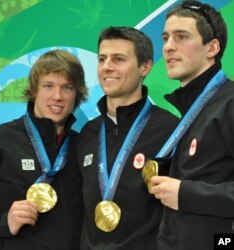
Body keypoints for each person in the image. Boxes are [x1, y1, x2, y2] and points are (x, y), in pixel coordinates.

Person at [77, 26, 179, 250]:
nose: (107, 67)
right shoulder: (88, 133)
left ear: (146, 67)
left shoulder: (170, 130)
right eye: (102, 59)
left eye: (119, 59)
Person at [150, 1, 234, 250]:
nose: (168, 47)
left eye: (181, 37)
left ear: (212, 48)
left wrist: (186, 195)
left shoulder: (230, 103)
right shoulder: (190, 111)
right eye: (165, 38)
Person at [0, 49, 87, 249]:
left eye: (67, 88)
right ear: (34, 90)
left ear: (77, 94)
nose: (57, 96)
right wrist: (3, 223)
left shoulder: (84, 147)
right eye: (48, 86)